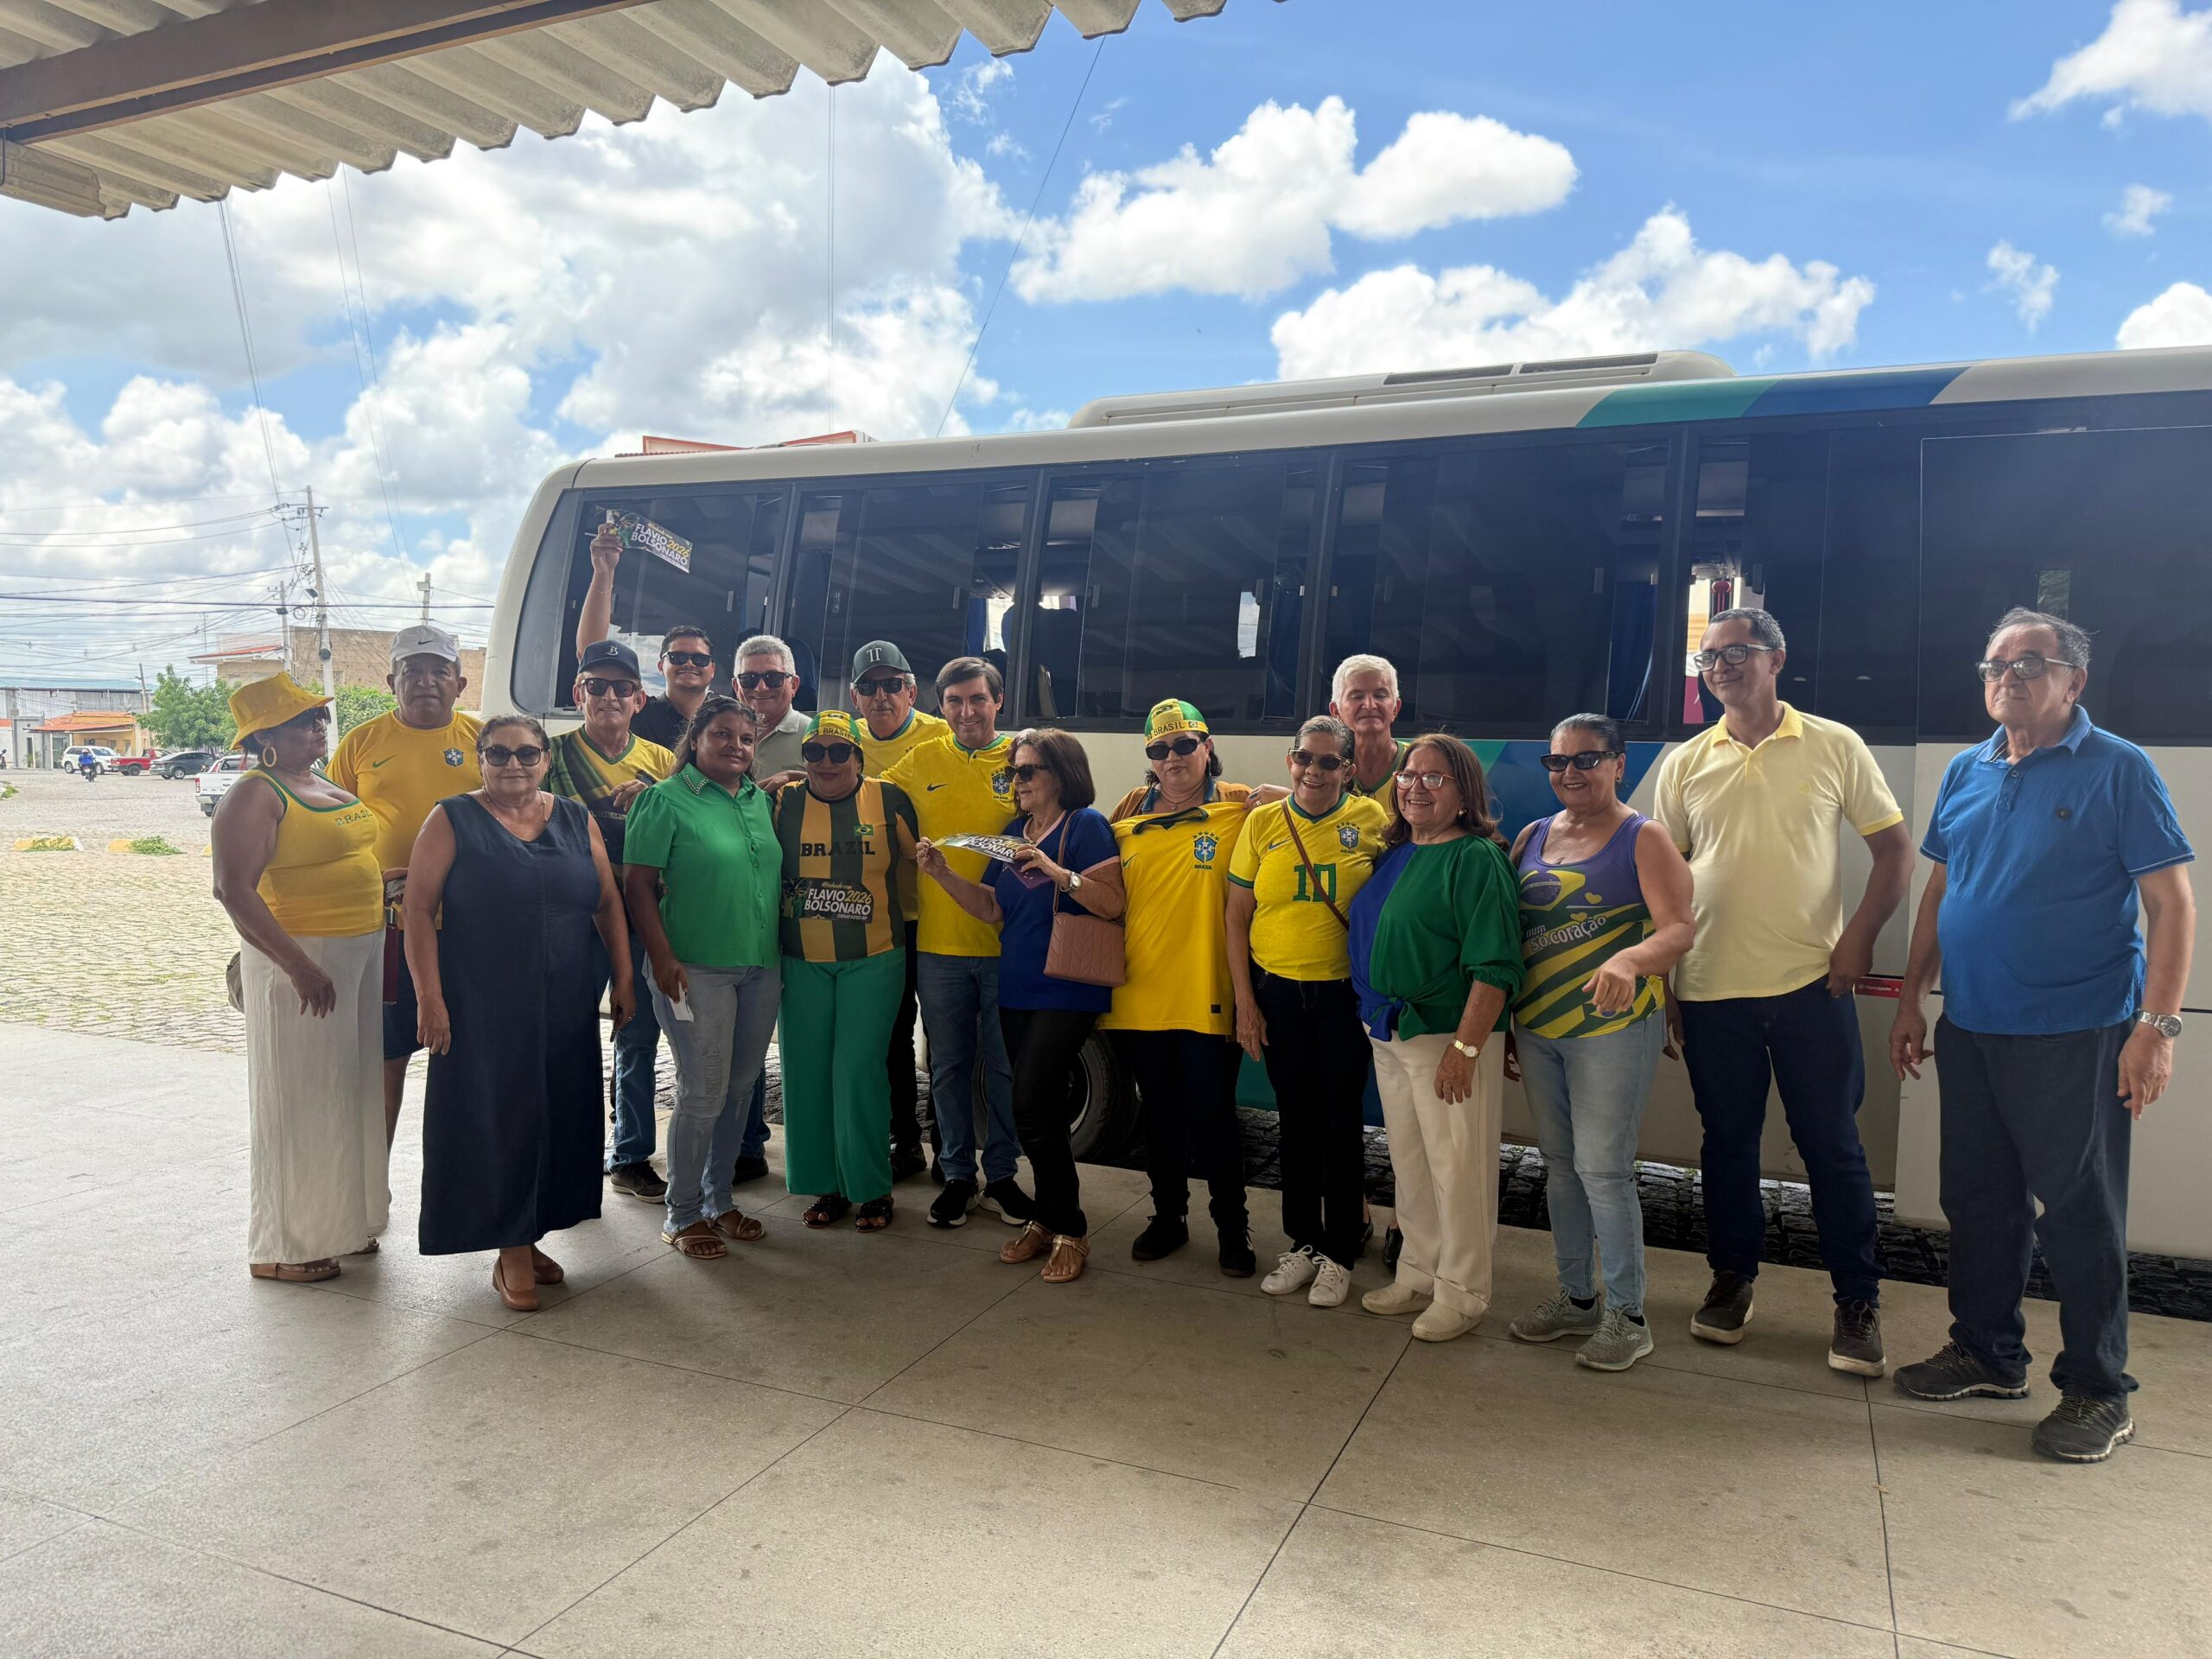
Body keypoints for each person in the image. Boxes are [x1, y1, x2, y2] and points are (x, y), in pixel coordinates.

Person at [1891, 609, 2195, 1463]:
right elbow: (1941, 890)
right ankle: (1987, 1353)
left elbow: (2171, 905)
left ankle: (2099, 1389)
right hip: (1974, 1030)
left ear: (2074, 681)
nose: (2010, 677)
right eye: (1996, 664)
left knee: (2078, 1217)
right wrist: (1912, 996)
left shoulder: (2118, 769)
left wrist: (2156, 1028)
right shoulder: (1966, 769)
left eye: (2033, 662)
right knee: (1979, 1203)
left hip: (2079, 1033)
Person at [1652, 607, 1912, 1377]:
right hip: (1710, 991)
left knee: (1832, 1147)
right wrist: (1665, 979)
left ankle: (1857, 1301)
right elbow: (1661, 876)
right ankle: (1732, 1280)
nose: (1724, 666)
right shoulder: (1686, 760)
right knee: (1725, 1146)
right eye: (1710, 658)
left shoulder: (1834, 745)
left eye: (1739, 652)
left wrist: (1859, 937)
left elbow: (1894, 853)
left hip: (1812, 985)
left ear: (1778, 659)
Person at [404, 717, 633, 1312]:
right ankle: (509, 1245)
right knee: (497, 1116)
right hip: (481, 1002)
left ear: (546, 758)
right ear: (479, 757)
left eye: (527, 753)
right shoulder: (451, 818)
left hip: (565, 1000)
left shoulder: (574, 819)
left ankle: (529, 1233)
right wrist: (430, 998)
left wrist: (626, 979)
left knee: (558, 1113)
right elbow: (419, 910)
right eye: (499, 753)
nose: (513, 763)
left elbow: (609, 904)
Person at [1503, 714, 1696, 1372]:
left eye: (1587, 760)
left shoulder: (1644, 838)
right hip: (1539, 1030)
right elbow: (1512, 938)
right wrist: (1505, 1020)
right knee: (1558, 1165)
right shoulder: (1532, 835)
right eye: (1558, 762)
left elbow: (1679, 929)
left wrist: (1629, 961)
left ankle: (1629, 1314)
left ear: (1618, 763)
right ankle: (1577, 1297)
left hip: (1612, 1033)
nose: (1570, 773)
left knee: (1604, 1171)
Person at [915, 728, 1123, 1285]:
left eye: (1028, 771)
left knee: (1030, 1104)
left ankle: (1070, 1229)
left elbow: (1110, 901)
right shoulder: (1011, 833)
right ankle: (1047, 1219)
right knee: (1038, 1109)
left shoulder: (1086, 826)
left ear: (1060, 774)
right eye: (1013, 772)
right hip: (1017, 987)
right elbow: (989, 908)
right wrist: (941, 874)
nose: (1018, 781)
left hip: (1067, 986)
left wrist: (1054, 870)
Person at [211, 673, 387, 1283]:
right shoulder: (253, 794)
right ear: (265, 738)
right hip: (302, 960)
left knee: (348, 1090)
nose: (318, 727)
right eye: (302, 720)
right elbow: (232, 890)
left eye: (317, 717)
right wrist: (299, 966)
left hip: (358, 952)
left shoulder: (320, 782)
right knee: (302, 1099)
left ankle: (343, 1220)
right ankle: (283, 1244)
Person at [1347, 737, 1524, 1341]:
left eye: (1434, 779)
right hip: (1391, 1035)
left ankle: (1464, 1291)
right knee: (1411, 1162)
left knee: (1460, 1167)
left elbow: (1495, 966)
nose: (1415, 787)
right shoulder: (1398, 851)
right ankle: (1418, 1270)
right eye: (1407, 776)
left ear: (1463, 791)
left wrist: (1466, 1050)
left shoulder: (1475, 858)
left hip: (1446, 1038)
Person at [1227, 715, 1389, 1308]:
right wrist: (1246, 1002)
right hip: (1277, 995)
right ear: (1290, 761)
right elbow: (1236, 915)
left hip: (1341, 998)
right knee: (1293, 1122)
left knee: (1342, 1124)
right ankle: (1302, 1242)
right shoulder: (1263, 823)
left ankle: (1342, 1251)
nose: (1313, 771)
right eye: (1303, 759)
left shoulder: (1373, 820)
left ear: (1349, 769)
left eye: (1327, 762)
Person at [621, 696, 781, 1260]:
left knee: (740, 1089)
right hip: (694, 968)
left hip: (761, 967)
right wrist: (661, 957)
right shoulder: (664, 801)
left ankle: (719, 1201)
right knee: (702, 1092)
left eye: (745, 737)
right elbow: (637, 883)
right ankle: (682, 1213)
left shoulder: (759, 801)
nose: (735, 745)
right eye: (722, 734)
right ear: (697, 739)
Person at [1104, 699, 1255, 1277]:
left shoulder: (1238, 805)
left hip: (1209, 991)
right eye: (1159, 749)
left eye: (1184, 745)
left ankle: (1232, 1228)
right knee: (1159, 1114)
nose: (1173, 758)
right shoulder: (1128, 809)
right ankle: (1168, 1217)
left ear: (1207, 747)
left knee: (1214, 1115)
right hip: (1141, 993)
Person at [881, 657, 1030, 1230]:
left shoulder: (1025, 755)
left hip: (1006, 946)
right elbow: (862, 792)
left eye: (977, 699)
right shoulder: (922, 759)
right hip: (940, 947)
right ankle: (958, 1176)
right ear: (940, 708)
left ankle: (1004, 1176)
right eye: (954, 702)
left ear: (998, 701)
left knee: (1002, 1069)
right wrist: (795, 780)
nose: (966, 711)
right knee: (946, 1067)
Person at [327, 624, 483, 1146]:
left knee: (465, 1062)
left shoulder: (485, 742)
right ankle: (372, 1192)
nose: (426, 682)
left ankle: (462, 1194)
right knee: (385, 1060)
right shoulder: (362, 742)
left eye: (440, 670)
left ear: (460, 684)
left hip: (467, 930)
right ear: (390, 680)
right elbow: (329, 829)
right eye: (412, 671)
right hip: (387, 930)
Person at [772, 710, 918, 1232]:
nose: (826, 762)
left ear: (858, 756)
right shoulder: (782, 801)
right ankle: (827, 1186)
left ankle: (872, 1188)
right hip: (800, 960)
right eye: (815, 752)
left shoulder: (889, 798)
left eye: (839, 752)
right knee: (806, 1074)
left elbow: (921, 862)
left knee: (858, 1072)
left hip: (875, 958)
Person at [544, 639, 676, 1202]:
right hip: (571, 921)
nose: (609, 696)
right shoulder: (548, 756)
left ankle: (630, 1154)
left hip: (642, 916)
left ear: (640, 699)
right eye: (596, 686)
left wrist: (656, 793)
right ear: (578, 694)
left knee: (637, 1034)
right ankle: (560, 1148)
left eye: (622, 687)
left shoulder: (663, 763)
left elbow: (687, 828)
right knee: (565, 1037)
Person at [850, 640, 949, 1182]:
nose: (881, 695)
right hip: (878, 917)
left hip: (937, 912)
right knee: (891, 1033)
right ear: (856, 696)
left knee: (945, 1034)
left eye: (892, 684)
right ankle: (904, 1142)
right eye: (870, 686)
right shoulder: (841, 740)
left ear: (913, 690)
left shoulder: (940, 733)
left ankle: (948, 1148)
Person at [575, 517, 720, 750]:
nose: (690, 664)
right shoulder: (640, 712)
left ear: (712, 669)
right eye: (678, 657)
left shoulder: (725, 716)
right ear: (661, 666)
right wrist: (603, 572)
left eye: (700, 659)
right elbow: (590, 656)